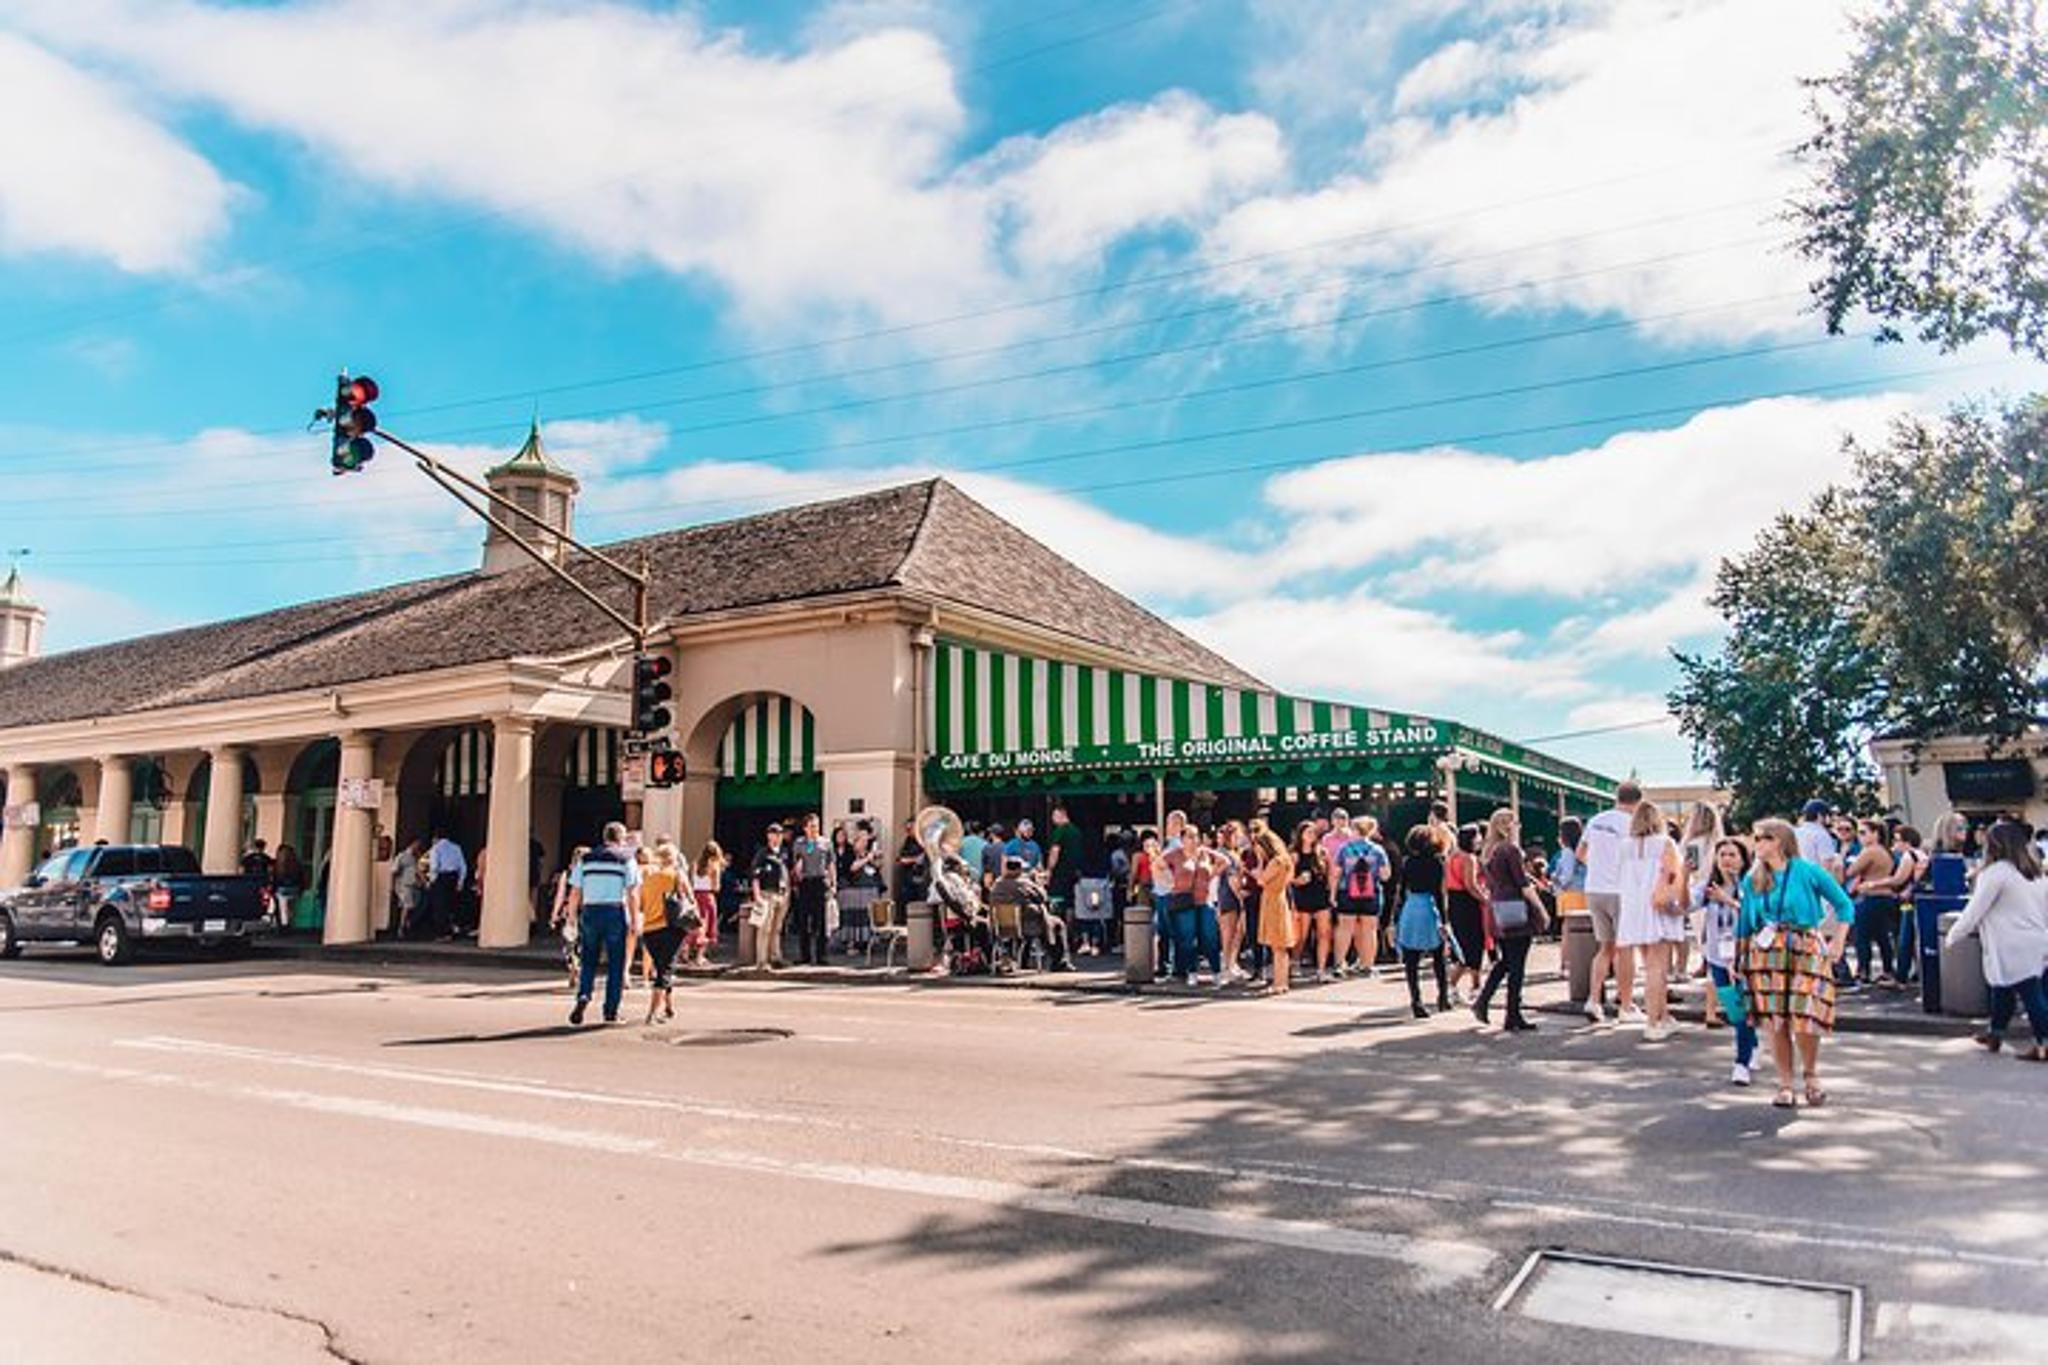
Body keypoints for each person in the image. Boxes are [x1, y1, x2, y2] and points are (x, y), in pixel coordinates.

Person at [1739, 818, 1855, 1107]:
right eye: (1756, 838)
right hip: (1767, 949)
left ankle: (1811, 1073)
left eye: (1763, 838)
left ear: (1779, 840)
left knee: (1805, 1014)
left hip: (1805, 943)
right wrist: (1738, 957)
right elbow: (1744, 922)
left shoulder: (1807, 871)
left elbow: (1844, 905)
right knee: (1775, 1019)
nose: (1758, 845)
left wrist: (1838, 940)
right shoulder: (1753, 878)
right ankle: (1785, 1083)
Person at [1945, 820, 2048, 1061]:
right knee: (2003, 989)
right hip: (2036, 939)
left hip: (2010, 943)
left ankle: (2043, 1043)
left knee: (2029, 993)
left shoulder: (1995, 873)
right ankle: (1995, 1033)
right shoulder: (2035, 873)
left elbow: (1975, 909)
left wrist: (1954, 935)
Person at [1615, 799, 1686, 1040]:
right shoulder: (1665, 843)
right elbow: (1673, 873)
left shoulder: (1624, 846)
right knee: (1658, 967)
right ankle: (1654, 1022)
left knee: (1649, 964)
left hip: (1633, 907)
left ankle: (1663, 1016)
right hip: (1656, 906)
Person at [1473, 808, 1545, 1032]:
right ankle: (1511, 1013)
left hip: (1498, 907)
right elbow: (1522, 884)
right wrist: (1541, 909)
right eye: (1516, 823)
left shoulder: (1489, 851)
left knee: (1507, 960)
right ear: (1509, 826)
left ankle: (1486, 1001)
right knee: (1517, 964)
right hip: (1516, 906)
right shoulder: (1511, 850)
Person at [565, 822, 641, 1027]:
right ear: (621, 838)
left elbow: (575, 892)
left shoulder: (586, 859)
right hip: (614, 911)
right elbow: (632, 893)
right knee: (616, 963)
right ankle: (610, 1011)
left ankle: (583, 995)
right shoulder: (626, 859)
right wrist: (635, 920)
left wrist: (571, 917)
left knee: (588, 959)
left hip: (590, 911)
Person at [1699, 838, 1759, 1086]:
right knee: (1735, 1010)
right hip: (1718, 956)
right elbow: (1684, 904)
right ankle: (1752, 1043)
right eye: (1722, 854)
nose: (1726, 860)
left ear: (1743, 859)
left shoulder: (1752, 885)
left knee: (1744, 1008)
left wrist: (1728, 899)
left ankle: (1741, 1062)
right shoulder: (1709, 887)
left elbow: (1756, 915)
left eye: (1732, 855)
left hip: (1746, 955)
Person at [1580, 781, 1641, 1022]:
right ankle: (1626, 1005)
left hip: (1594, 888)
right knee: (1626, 948)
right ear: (1637, 802)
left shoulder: (1596, 820)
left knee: (1605, 948)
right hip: (1620, 890)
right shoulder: (1632, 824)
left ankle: (1593, 1000)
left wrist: (1598, 867)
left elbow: (1580, 853)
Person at [1394, 825, 1451, 1018]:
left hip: (1412, 906)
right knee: (1438, 956)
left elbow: (1401, 890)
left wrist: (1396, 916)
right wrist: (1444, 920)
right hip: (1429, 906)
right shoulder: (1437, 863)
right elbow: (1439, 893)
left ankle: (1416, 1000)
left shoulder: (1408, 862)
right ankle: (1443, 996)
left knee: (1411, 960)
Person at [989, 857, 1073, 971]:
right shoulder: (1024, 884)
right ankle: (1059, 961)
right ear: (1019, 870)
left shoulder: (997, 885)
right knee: (1057, 924)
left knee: (1032, 919)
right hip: (1027, 927)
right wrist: (1037, 883)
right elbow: (1042, 897)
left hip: (1001, 928)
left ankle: (1023, 961)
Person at [1331, 816, 1389, 980]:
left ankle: (1339, 964)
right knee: (1369, 930)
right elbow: (1385, 875)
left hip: (1347, 892)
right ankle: (1367, 965)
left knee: (1344, 929)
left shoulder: (1345, 849)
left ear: (1354, 830)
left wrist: (1333, 895)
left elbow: (1336, 874)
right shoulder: (1378, 850)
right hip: (1371, 894)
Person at [1848, 816, 1903, 986]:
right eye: (1859, 833)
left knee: (1862, 935)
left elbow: (1851, 871)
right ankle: (1887, 969)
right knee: (1881, 936)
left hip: (1871, 895)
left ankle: (1863, 970)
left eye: (1864, 833)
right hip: (1884, 897)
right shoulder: (1885, 851)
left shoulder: (1870, 851)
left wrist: (1844, 857)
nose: (1860, 837)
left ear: (1876, 834)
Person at [638, 841, 688, 1024]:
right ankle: (652, 1013)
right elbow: (688, 899)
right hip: (670, 928)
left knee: (661, 966)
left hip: (649, 930)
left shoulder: (648, 878)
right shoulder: (676, 875)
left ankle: (668, 1007)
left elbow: (642, 905)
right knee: (664, 971)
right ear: (674, 858)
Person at [1443, 824, 1488, 1005]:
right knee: (1475, 945)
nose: (1480, 841)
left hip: (1455, 902)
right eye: (1477, 837)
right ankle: (1474, 987)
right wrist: (1485, 899)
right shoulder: (1469, 858)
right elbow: (1471, 885)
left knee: (1461, 947)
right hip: (1468, 904)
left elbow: (1445, 884)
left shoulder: (1451, 857)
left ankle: (1456, 986)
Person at [1252, 826, 1297, 995]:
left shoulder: (1275, 861)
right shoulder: (1286, 860)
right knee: (1281, 946)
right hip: (1280, 898)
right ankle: (1282, 982)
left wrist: (1258, 867)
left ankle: (1279, 983)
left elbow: (1262, 880)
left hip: (1273, 900)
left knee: (1278, 945)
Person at [1289, 821, 1333, 982]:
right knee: (1301, 935)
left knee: (1324, 934)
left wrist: (1332, 894)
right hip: (1302, 897)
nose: (1311, 836)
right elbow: (1286, 878)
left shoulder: (1322, 852)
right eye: (1307, 832)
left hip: (1321, 895)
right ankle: (1295, 960)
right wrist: (1296, 880)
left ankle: (1321, 969)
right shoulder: (1294, 854)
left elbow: (1331, 874)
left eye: (1313, 833)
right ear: (1300, 835)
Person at [749, 824, 791, 969]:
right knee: (765, 928)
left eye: (780, 834)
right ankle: (762, 960)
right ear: (768, 835)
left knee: (777, 928)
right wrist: (757, 896)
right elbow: (755, 876)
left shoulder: (784, 853)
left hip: (782, 893)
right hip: (767, 893)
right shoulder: (762, 854)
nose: (778, 837)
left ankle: (775, 956)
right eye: (775, 833)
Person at [550, 846, 588, 989]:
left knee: (570, 942)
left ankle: (573, 965)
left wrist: (554, 914)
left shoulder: (567, 874)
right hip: (587, 911)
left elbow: (560, 895)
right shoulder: (590, 874)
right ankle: (580, 967)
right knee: (584, 942)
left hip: (568, 911)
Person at [1044, 805, 1083, 938]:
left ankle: (1058, 933)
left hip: (1060, 874)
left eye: (1054, 816)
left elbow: (1055, 851)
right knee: (1072, 904)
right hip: (1074, 874)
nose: (1052, 820)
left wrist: (1049, 869)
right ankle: (1073, 934)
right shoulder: (1077, 832)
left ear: (1061, 815)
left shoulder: (1060, 831)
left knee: (1057, 903)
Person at [688, 841, 726, 968]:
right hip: (707, 897)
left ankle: (686, 954)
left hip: (695, 896)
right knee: (707, 925)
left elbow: (691, 882)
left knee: (694, 925)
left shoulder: (694, 864)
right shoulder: (714, 866)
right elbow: (716, 887)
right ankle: (699, 956)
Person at [424, 830, 466, 941]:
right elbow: (463, 866)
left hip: (441, 877)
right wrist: (460, 882)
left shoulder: (436, 848)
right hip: (453, 877)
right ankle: (452, 931)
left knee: (439, 907)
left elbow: (434, 866)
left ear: (435, 838)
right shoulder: (456, 847)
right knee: (451, 905)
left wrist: (431, 881)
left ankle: (442, 933)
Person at [385, 839, 419, 939]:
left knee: (412, 904)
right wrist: (392, 885)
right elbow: (394, 870)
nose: (417, 846)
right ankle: (401, 928)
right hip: (404, 884)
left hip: (411, 884)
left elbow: (416, 871)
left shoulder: (414, 857)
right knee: (406, 906)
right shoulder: (402, 856)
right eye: (416, 844)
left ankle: (406, 924)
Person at [273, 843, 305, 929]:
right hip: (294, 888)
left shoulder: (278, 864)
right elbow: (301, 876)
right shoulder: (296, 864)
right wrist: (301, 888)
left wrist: (274, 889)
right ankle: (290, 923)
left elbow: (275, 878)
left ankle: (285, 924)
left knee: (283, 908)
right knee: (291, 908)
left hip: (282, 888)